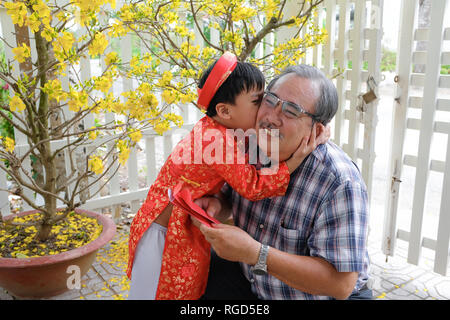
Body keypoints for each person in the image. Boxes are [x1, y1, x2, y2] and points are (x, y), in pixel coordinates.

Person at [127, 53, 326, 300]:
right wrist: (296, 158)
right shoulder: (217, 141)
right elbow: (253, 186)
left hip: (170, 225)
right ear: (224, 110)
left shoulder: (215, 128)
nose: (265, 109)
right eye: (257, 101)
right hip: (164, 234)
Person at [193, 64, 372, 300]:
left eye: (291, 111)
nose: (271, 117)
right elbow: (226, 195)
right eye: (270, 100)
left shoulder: (339, 181)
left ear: (317, 129)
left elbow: (341, 284)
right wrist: (217, 207)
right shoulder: (248, 145)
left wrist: (256, 254)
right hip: (255, 283)